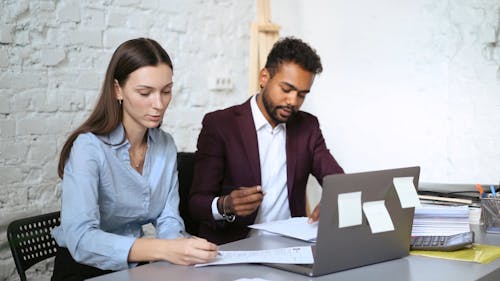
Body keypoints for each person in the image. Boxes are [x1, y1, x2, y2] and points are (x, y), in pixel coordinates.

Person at [51, 38, 217, 281]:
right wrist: (165, 249)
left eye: (166, 91)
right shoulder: (89, 148)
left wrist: (183, 247)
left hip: (135, 268)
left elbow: (168, 217)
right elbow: (82, 238)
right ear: (117, 89)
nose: (158, 104)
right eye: (145, 92)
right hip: (83, 268)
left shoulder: (164, 144)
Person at [188, 37, 344, 245]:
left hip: (291, 247)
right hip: (235, 248)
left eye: (302, 95)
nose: (293, 102)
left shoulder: (307, 127)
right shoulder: (220, 125)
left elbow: (337, 180)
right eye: (286, 90)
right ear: (264, 77)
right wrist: (226, 205)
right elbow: (196, 204)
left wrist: (333, 199)